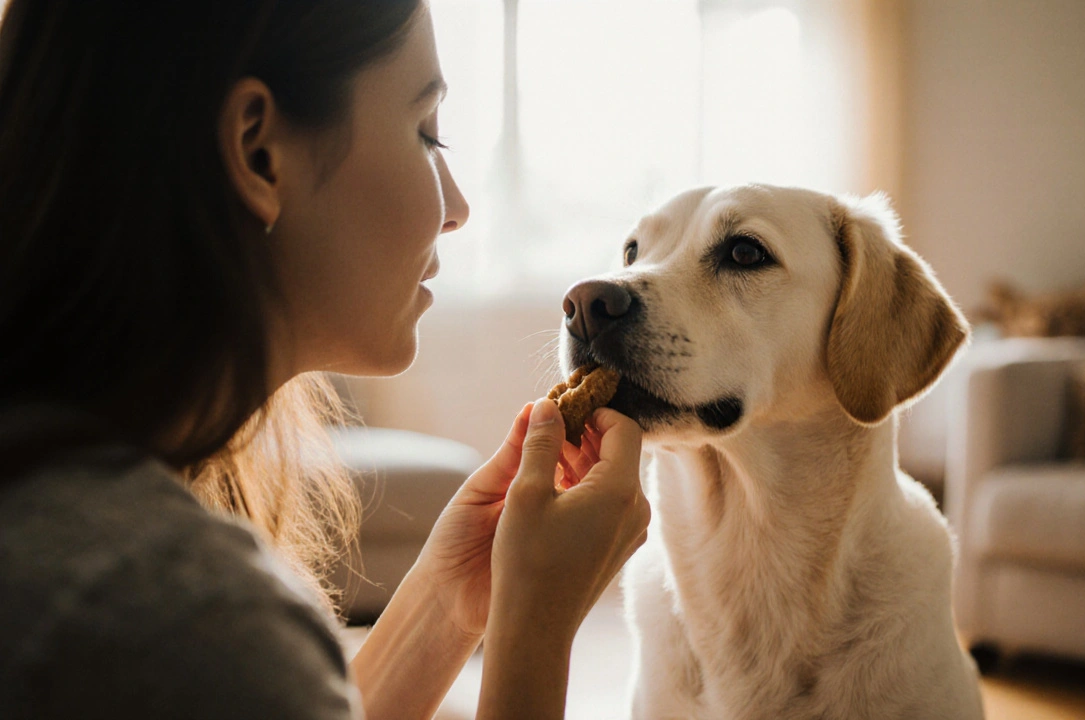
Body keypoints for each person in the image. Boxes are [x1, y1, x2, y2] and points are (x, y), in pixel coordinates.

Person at [0, 1, 650, 718]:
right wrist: (536, 630)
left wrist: (446, 600)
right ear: (258, 151)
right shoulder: (170, 610)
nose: (457, 208)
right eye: (426, 132)